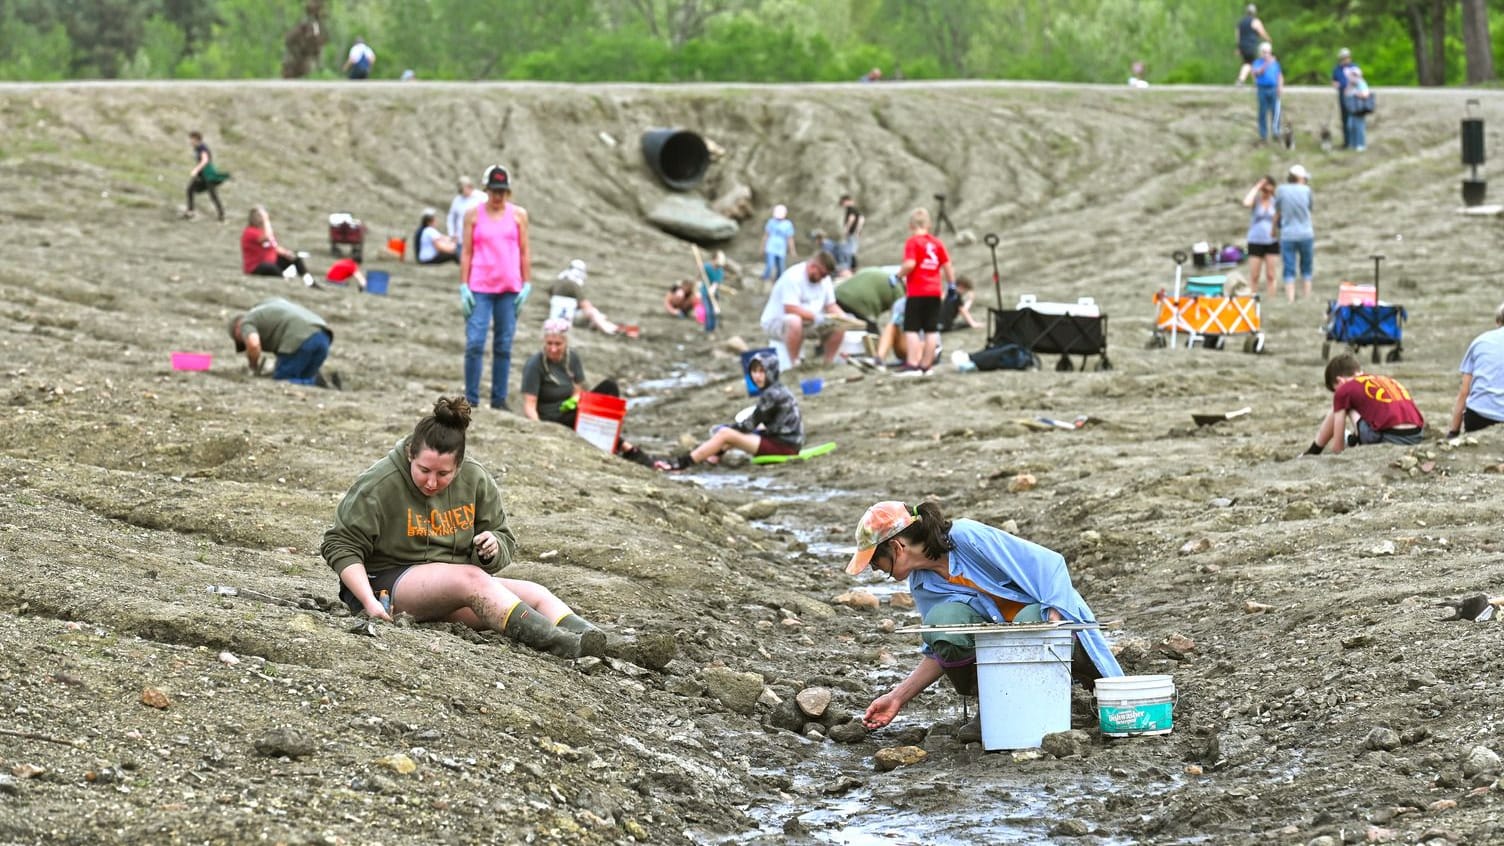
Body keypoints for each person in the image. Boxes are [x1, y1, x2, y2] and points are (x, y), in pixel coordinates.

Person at [321, 396, 607, 659]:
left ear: (458, 466)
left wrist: (492, 548)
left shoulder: (476, 479)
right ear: (410, 454)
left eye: (443, 474)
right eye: (424, 470)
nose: (431, 482)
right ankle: (563, 645)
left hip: (450, 588)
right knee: (471, 578)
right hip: (385, 588)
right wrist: (368, 602)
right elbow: (340, 545)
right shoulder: (379, 482)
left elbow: (504, 539)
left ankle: (599, 642)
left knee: (535, 593)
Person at [847, 500, 1123, 734]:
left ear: (896, 547)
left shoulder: (967, 537)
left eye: (874, 561)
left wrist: (1053, 622)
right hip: (1002, 656)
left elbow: (1050, 566)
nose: (875, 570)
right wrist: (897, 697)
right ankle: (996, 707)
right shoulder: (923, 584)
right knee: (942, 622)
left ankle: (1062, 687)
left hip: (1048, 628)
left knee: (1030, 624)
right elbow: (940, 648)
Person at [654, 350, 802, 471]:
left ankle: (681, 464)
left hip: (784, 447)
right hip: (786, 441)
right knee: (731, 433)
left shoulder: (772, 394)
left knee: (725, 434)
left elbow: (748, 426)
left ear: (771, 371)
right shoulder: (778, 389)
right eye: (754, 371)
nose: (757, 376)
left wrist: (724, 429)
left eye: (762, 371)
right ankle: (713, 457)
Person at [460, 164, 530, 411]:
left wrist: (526, 283)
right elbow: (466, 251)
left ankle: (499, 400)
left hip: (509, 288)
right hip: (480, 287)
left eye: (502, 191)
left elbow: (523, 251)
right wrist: (463, 286)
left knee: (503, 345)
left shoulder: (519, 215)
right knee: (475, 343)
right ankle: (471, 399)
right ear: (486, 190)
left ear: (508, 192)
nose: (498, 196)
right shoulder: (473, 215)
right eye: (493, 191)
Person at [1302, 354, 1423, 456]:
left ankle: (1313, 451)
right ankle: (1352, 438)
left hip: (1390, 438)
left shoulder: (1344, 389)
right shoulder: (1384, 379)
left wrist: (1338, 450)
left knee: (1342, 405)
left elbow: (1337, 448)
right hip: (1416, 435)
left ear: (1340, 381)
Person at [759, 251, 851, 368]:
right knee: (794, 320)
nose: (822, 278)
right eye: (821, 274)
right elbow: (790, 308)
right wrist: (816, 317)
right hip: (776, 323)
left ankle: (828, 363)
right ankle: (795, 364)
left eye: (825, 275)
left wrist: (843, 318)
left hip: (807, 322)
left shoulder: (824, 280)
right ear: (813, 267)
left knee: (839, 325)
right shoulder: (793, 277)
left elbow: (831, 305)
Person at [227, 297, 341, 388]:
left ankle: (316, 381)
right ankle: (321, 382)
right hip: (323, 335)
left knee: (282, 381)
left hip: (299, 340)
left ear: (238, 331)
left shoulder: (246, 322)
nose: (244, 344)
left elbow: (253, 344)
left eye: (241, 342)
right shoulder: (270, 304)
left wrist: (253, 365)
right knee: (302, 380)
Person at [897, 207, 954, 374]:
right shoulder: (937, 243)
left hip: (917, 291)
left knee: (912, 328)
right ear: (928, 225)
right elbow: (947, 265)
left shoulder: (912, 242)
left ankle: (913, 363)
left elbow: (910, 264)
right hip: (935, 291)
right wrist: (951, 285)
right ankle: (926, 365)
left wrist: (897, 276)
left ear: (910, 225)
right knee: (931, 329)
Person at [1447, 304, 1504, 439]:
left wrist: (1453, 431)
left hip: (1478, 417)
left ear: (1498, 322)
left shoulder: (1480, 341)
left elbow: (1464, 392)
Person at [241, 206, 314, 287]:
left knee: (296, 258)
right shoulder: (250, 232)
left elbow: (274, 246)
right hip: (256, 267)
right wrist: (266, 221)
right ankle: (285, 280)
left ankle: (309, 282)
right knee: (269, 267)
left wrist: (287, 253)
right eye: (259, 216)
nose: (260, 219)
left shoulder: (263, 230)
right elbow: (266, 238)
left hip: (271, 260)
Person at [1273, 164, 1314, 301]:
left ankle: (1290, 298)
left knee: (1289, 267)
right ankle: (1306, 297)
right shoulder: (1306, 190)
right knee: (1306, 267)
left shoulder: (1281, 190)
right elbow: (1310, 208)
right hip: (1306, 233)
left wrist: (1274, 228)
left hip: (1288, 234)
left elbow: (1277, 210)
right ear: (1300, 178)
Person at [550, 259, 621, 335]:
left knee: (596, 317)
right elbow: (586, 305)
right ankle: (610, 330)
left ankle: (600, 325)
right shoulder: (573, 285)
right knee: (593, 312)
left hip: (554, 316)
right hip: (568, 318)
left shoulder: (556, 283)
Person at [834, 264, 904, 335]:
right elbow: (897, 321)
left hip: (837, 295)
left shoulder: (879, 272)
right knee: (873, 336)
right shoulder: (899, 290)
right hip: (859, 304)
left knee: (839, 330)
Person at [1242, 175, 1280, 297]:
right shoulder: (1256, 201)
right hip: (1255, 241)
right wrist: (1257, 186)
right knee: (1254, 275)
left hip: (1272, 241)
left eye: (1269, 190)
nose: (1266, 193)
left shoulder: (1276, 202)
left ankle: (1272, 299)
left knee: (1271, 275)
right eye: (1264, 190)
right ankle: (1252, 299)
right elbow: (1246, 202)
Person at [184, 131, 226, 222]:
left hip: (208, 175)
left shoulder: (202, 147)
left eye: (191, 139)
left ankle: (221, 215)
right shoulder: (197, 148)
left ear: (196, 139)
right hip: (202, 175)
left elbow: (205, 160)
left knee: (213, 195)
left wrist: (196, 169)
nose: (190, 141)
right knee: (190, 190)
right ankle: (190, 212)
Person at [1251, 42, 1284, 143]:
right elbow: (1256, 73)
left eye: (1268, 52)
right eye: (1264, 52)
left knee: (1276, 112)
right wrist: (1266, 64)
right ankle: (1263, 135)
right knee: (1262, 112)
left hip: (1273, 89)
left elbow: (1279, 75)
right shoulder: (1257, 62)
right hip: (1262, 89)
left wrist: (1280, 87)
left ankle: (1276, 132)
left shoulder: (1275, 63)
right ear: (1261, 53)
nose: (1266, 54)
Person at [1234, 4, 1272, 85]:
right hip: (1250, 45)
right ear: (1254, 12)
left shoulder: (1240, 22)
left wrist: (1238, 47)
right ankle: (1241, 80)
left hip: (1242, 46)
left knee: (1251, 63)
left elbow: (1237, 35)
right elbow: (1261, 32)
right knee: (1249, 63)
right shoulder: (1255, 21)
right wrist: (1268, 39)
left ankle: (1256, 82)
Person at [761, 204, 797, 284]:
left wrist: (792, 250)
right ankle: (764, 279)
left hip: (781, 249)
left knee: (781, 267)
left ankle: (778, 281)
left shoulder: (788, 224)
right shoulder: (771, 222)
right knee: (770, 265)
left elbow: (790, 238)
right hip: (771, 247)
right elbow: (766, 235)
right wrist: (763, 247)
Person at [446, 176, 485, 245]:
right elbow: (451, 218)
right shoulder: (457, 200)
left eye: (464, 188)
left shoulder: (481, 197)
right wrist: (452, 234)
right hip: (461, 240)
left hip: (478, 239)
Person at [1332, 48, 1358, 150]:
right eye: (1343, 58)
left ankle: (1355, 141)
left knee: (1353, 118)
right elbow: (1334, 80)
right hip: (1342, 94)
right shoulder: (1337, 69)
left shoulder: (1354, 68)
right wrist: (1335, 84)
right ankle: (1347, 142)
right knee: (1345, 119)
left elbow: (1356, 81)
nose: (1344, 60)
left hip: (1352, 95)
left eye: (1346, 58)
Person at [1343, 66, 1371, 152]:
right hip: (1352, 110)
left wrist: (1356, 93)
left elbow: (1366, 94)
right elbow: (1346, 94)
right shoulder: (1350, 85)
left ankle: (1360, 144)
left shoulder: (1361, 83)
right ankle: (1353, 144)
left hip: (1359, 109)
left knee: (1359, 127)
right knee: (1350, 126)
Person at [839, 195, 865, 271]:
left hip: (851, 233)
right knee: (852, 250)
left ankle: (851, 268)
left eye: (843, 203)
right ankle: (853, 268)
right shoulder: (856, 209)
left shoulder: (850, 209)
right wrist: (858, 230)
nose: (843, 205)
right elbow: (861, 219)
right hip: (854, 233)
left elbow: (851, 219)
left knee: (849, 251)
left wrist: (847, 230)